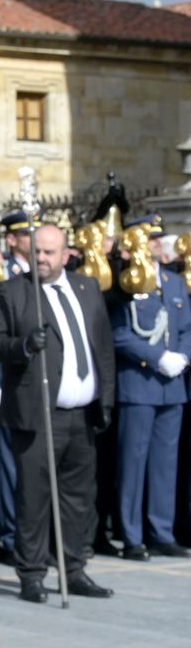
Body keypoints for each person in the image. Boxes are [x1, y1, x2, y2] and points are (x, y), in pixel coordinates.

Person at [0, 224, 117, 601]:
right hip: (38, 412)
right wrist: (23, 345)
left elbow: (102, 348)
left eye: (49, 252)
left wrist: (105, 400)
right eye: (36, 251)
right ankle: (31, 573)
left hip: (82, 414)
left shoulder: (86, 289)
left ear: (66, 254)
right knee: (35, 496)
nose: (41, 258)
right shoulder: (13, 291)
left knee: (79, 498)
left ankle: (73, 569)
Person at [110, 214, 191, 560]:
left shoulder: (173, 283)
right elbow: (119, 333)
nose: (159, 244)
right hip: (140, 383)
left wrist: (183, 358)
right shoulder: (127, 283)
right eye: (152, 239)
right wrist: (156, 357)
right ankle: (131, 536)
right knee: (133, 462)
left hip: (171, 386)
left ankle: (161, 531)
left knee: (164, 464)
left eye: (159, 239)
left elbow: (187, 327)